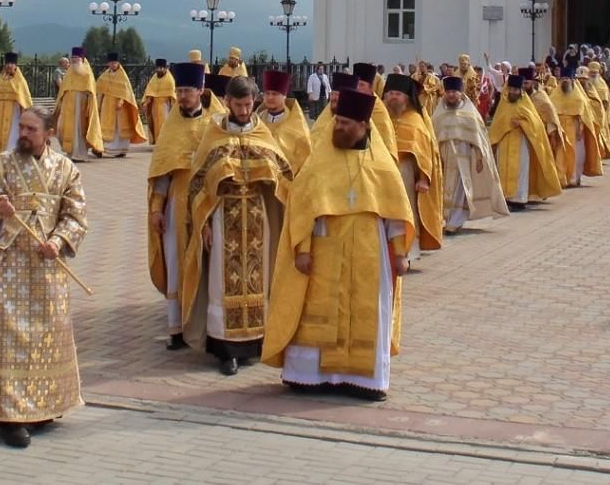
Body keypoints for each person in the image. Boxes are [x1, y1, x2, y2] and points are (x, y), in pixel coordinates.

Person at [264, 87, 413, 401]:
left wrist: (400, 254)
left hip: (369, 255)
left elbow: (395, 213)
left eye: (346, 123)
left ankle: (365, 380)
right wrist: (302, 250)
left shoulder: (381, 163)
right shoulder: (320, 159)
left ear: (364, 126)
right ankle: (308, 376)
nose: (339, 127)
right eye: (338, 121)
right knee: (317, 311)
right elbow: (302, 207)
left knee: (367, 313)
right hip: (324, 251)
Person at [0, 104, 88, 449]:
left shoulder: (66, 169)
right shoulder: (0, 165)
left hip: (46, 266)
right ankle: (8, 413)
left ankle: (44, 405)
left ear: (48, 134)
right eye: (21, 127)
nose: (23, 134)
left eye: (31, 129)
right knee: (9, 336)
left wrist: (58, 240)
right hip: (9, 265)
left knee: (46, 333)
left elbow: (77, 214)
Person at [181, 75, 294, 375]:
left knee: (258, 280)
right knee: (222, 281)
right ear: (227, 102)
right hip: (222, 217)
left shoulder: (263, 134)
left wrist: (266, 173)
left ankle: (256, 342)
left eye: (248, 105)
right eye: (238, 105)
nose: (244, 111)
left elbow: (284, 175)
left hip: (258, 218)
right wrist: (202, 223)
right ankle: (226, 350)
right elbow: (196, 186)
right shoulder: (213, 134)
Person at [147, 61, 211, 349]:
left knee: (204, 263)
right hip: (176, 203)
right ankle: (176, 329)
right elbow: (161, 173)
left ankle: (202, 324)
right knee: (175, 262)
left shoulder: (214, 125)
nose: (182, 96)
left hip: (206, 205)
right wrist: (156, 209)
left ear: (201, 91)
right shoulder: (170, 127)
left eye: (187, 91)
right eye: (179, 91)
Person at [431, 75, 507, 233]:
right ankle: (443, 219)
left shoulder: (470, 113)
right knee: (443, 189)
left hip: (463, 160)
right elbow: (432, 138)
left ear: (460, 93)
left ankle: (455, 221)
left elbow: (479, 139)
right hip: (443, 159)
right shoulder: (438, 114)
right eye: (448, 91)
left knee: (460, 190)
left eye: (454, 91)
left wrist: (479, 158)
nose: (451, 95)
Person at [382, 73, 443, 264]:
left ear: (406, 97)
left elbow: (426, 153)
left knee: (405, 211)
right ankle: (386, 251)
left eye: (397, 94)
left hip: (405, 172)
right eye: (390, 93)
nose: (393, 97)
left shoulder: (415, 120)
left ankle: (408, 251)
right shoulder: (380, 117)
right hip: (382, 172)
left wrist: (423, 179)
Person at [488, 74, 562, 210]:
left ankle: (519, 200)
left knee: (520, 171)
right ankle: (505, 198)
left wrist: (521, 123)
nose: (513, 92)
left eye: (515, 90)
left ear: (520, 91)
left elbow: (537, 125)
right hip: (504, 142)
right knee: (503, 169)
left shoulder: (526, 104)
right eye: (511, 89)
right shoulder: (503, 104)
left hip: (521, 142)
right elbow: (497, 123)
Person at [258, 70, 311, 175]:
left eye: (275, 94)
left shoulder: (297, 126)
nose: (270, 97)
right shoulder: (256, 121)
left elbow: (305, 164)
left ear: (284, 95)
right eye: (267, 93)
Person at [54, 46, 104, 160]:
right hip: (69, 106)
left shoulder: (87, 73)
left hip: (81, 107)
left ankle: (80, 153)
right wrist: (61, 102)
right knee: (64, 129)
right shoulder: (69, 72)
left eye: (76, 57)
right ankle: (71, 152)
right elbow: (63, 90)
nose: (74, 60)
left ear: (82, 58)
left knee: (80, 129)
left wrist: (89, 102)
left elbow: (91, 92)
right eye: (72, 57)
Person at [97, 52, 147, 157]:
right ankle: (106, 148)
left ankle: (121, 150)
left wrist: (120, 101)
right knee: (107, 126)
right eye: (111, 63)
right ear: (108, 64)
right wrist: (98, 104)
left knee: (119, 127)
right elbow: (99, 89)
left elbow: (126, 92)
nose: (112, 65)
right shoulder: (104, 76)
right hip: (107, 105)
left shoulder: (122, 76)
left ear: (118, 63)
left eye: (114, 63)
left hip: (120, 106)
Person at [0, 52, 33, 154]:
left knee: (12, 134)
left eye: (11, 64)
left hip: (14, 114)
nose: (9, 66)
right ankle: (0, 155)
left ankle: (12, 156)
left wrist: (25, 113)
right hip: (0, 113)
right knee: (0, 134)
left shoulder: (19, 80)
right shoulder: (1, 78)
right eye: (7, 64)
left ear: (15, 65)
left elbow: (24, 98)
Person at [141, 58, 177, 143]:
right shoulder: (153, 79)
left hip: (165, 106)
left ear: (165, 68)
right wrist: (146, 102)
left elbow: (172, 96)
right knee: (155, 124)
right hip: (154, 106)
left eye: (162, 68)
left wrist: (173, 108)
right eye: (158, 68)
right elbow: (149, 92)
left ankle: (165, 142)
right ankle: (157, 141)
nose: (160, 70)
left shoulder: (169, 79)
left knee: (164, 124)